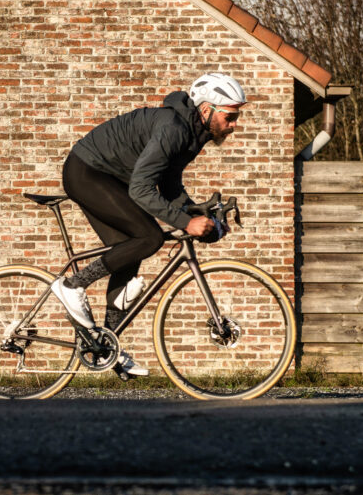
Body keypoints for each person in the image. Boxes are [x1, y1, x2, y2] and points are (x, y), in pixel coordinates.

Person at [51, 73, 247, 378]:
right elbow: (141, 189)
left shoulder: (195, 135)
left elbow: (167, 182)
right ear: (207, 110)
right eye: (230, 116)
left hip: (110, 179)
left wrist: (194, 212)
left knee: (131, 250)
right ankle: (71, 285)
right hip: (87, 172)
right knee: (149, 237)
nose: (235, 124)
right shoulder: (173, 128)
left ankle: (105, 348)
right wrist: (185, 222)